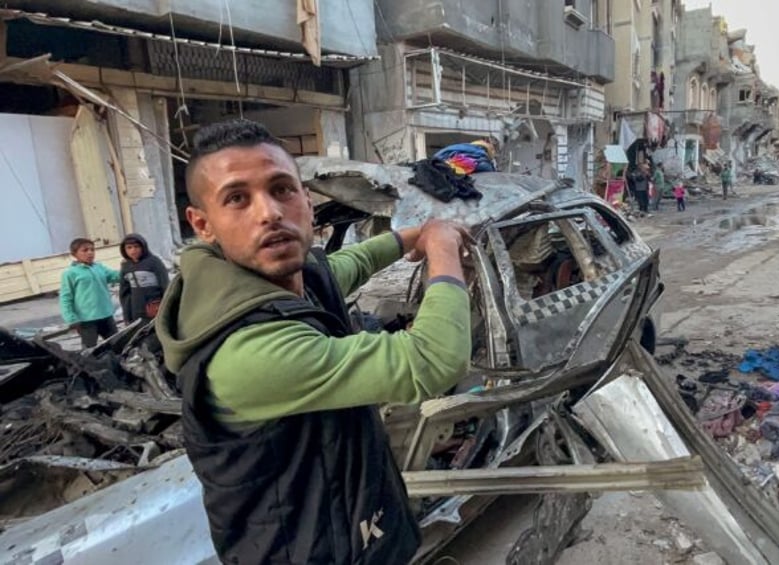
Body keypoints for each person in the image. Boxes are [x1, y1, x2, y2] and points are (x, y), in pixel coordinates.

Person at [155, 119, 472, 564]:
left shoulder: (273, 281)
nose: (268, 212)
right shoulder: (247, 351)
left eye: (282, 189)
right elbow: (435, 359)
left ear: (306, 199)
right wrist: (443, 249)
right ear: (202, 224)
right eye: (237, 198)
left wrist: (411, 236)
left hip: (351, 532)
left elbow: (342, 265)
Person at [59, 238, 121, 348]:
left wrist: (128, 267)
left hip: (106, 315)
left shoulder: (99, 267)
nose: (90, 253)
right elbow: (65, 297)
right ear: (74, 254)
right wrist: (71, 318)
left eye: (92, 250)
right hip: (86, 320)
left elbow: (114, 276)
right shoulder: (70, 273)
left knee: (118, 344)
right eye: (85, 250)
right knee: (90, 349)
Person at [119, 233, 170, 323]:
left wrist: (168, 307)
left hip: (155, 305)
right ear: (124, 249)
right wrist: (127, 315)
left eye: (136, 246)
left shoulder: (154, 261)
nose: (133, 250)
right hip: (136, 308)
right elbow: (125, 293)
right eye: (129, 247)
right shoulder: (126, 265)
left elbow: (165, 285)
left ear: (143, 247)